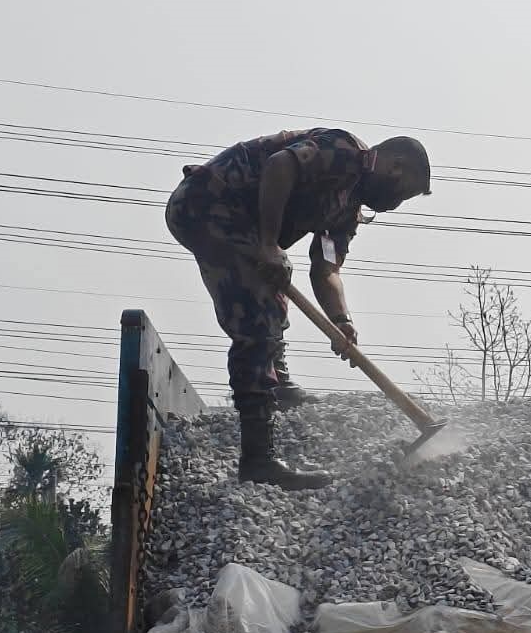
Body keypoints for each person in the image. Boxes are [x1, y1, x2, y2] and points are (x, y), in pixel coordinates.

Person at [166, 128, 432, 490]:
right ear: (396, 166)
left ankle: (278, 384)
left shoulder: (347, 210)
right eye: (403, 192)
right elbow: (281, 166)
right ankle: (257, 459)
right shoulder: (344, 151)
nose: (396, 203)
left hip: (237, 221)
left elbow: (327, 270)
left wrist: (342, 322)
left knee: (273, 287)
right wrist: (267, 244)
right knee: (257, 316)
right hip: (211, 200)